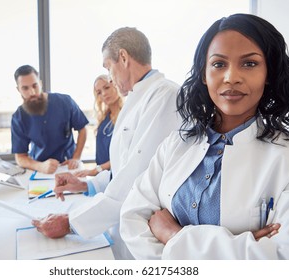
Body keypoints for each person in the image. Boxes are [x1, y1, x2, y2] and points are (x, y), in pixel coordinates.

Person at [120, 13, 289, 259]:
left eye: (249, 63)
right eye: (218, 64)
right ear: (204, 74)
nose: (231, 77)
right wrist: (240, 248)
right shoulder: (175, 145)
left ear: (268, 74)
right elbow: (132, 217)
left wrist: (173, 237)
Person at [32, 27, 181, 259]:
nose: (109, 77)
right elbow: (122, 168)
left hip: (148, 231)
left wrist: (70, 222)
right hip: (124, 222)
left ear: (123, 57)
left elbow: (136, 179)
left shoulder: (164, 96)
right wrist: (85, 184)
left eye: (108, 67)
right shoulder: (138, 97)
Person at [11, 65, 89, 174]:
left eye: (35, 86)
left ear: (41, 83)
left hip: (68, 165)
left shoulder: (65, 102)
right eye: (25, 88)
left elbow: (83, 129)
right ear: (18, 89)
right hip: (40, 168)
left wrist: (76, 157)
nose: (32, 92)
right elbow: (20, 157)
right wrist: (40, 166)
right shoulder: (18, 117)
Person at [75, 74, 123, 177]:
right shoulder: (104, 118)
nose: (104, 94)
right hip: (103, 176)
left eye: (107, 88)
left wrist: (96, 170)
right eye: (99, 92)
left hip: (116, 176)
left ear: (115, 85)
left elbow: (123, 155)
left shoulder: (125, 116)